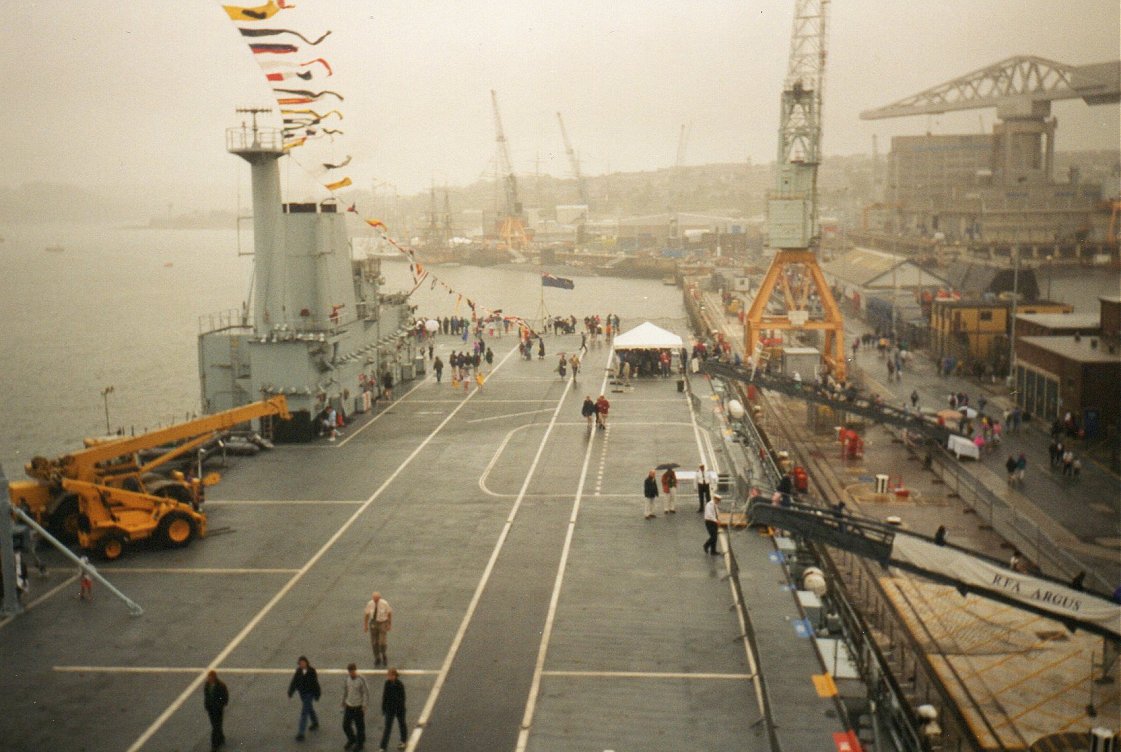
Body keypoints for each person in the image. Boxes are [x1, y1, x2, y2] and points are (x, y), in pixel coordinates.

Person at [288, 655, 321, 741]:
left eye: (303, 663)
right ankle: (315, 722)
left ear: (306, 662)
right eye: (300, 663)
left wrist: (317, 694)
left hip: (309, 694)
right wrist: (290, 691)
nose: (302, 664)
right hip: (302, 694)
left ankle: (301, 733)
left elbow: (315, 683)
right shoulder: (298, 671)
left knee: (304, 712)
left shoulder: (312, 671)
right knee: (309, 708)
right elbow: (294, 681)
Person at [378, 668, 408, 752]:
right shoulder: (387, 683)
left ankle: (403, 741)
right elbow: (385, 696)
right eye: (388, 675)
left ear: (395, 676)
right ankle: (383, 746)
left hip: (399, 709)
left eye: (390, 675)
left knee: (402, 724)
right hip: (390, 709)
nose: (389, 677)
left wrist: (399, 706)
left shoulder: (399, 684)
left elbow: (402, 698)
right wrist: (383, 708)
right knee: (387, 728)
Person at [341, 662, 369, 750]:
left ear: (355, 670)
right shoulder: (347, 679)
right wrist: (343, 701)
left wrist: (364, 706)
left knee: (359, 727)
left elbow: (366, 693)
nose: (351, 673)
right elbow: (345, 690)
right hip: (349, 705)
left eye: (353, 671)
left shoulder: (361, 679)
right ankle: (352, 739)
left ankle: (360, 744)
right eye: (350, 671)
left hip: (358, 706)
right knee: (345, 725)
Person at [364, 592, 393, 667]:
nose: (375, 600)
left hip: (382, 623)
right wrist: (366, 625)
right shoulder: (370, 604)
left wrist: (389, 624)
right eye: (374, 599)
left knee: (382, 642)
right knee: (374, 642)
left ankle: (383, 654)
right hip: (373, 623)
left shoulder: (384, 603)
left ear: (379, 598)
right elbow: (367, 614)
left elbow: (389, 613)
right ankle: (377, 657)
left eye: (377, 599)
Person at [203, 670, 229, 752]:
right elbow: (206, 696)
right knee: (216, 725)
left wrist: (221, 705)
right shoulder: (207, 686)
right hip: (211, 709)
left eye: (211, 677)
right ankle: (221, 738)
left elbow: (225, 696)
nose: (209, 679)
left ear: (214, 677)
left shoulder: (220, 686)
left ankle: (215, 745)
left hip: (218, 709)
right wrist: (207, 705)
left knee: (215, 726)